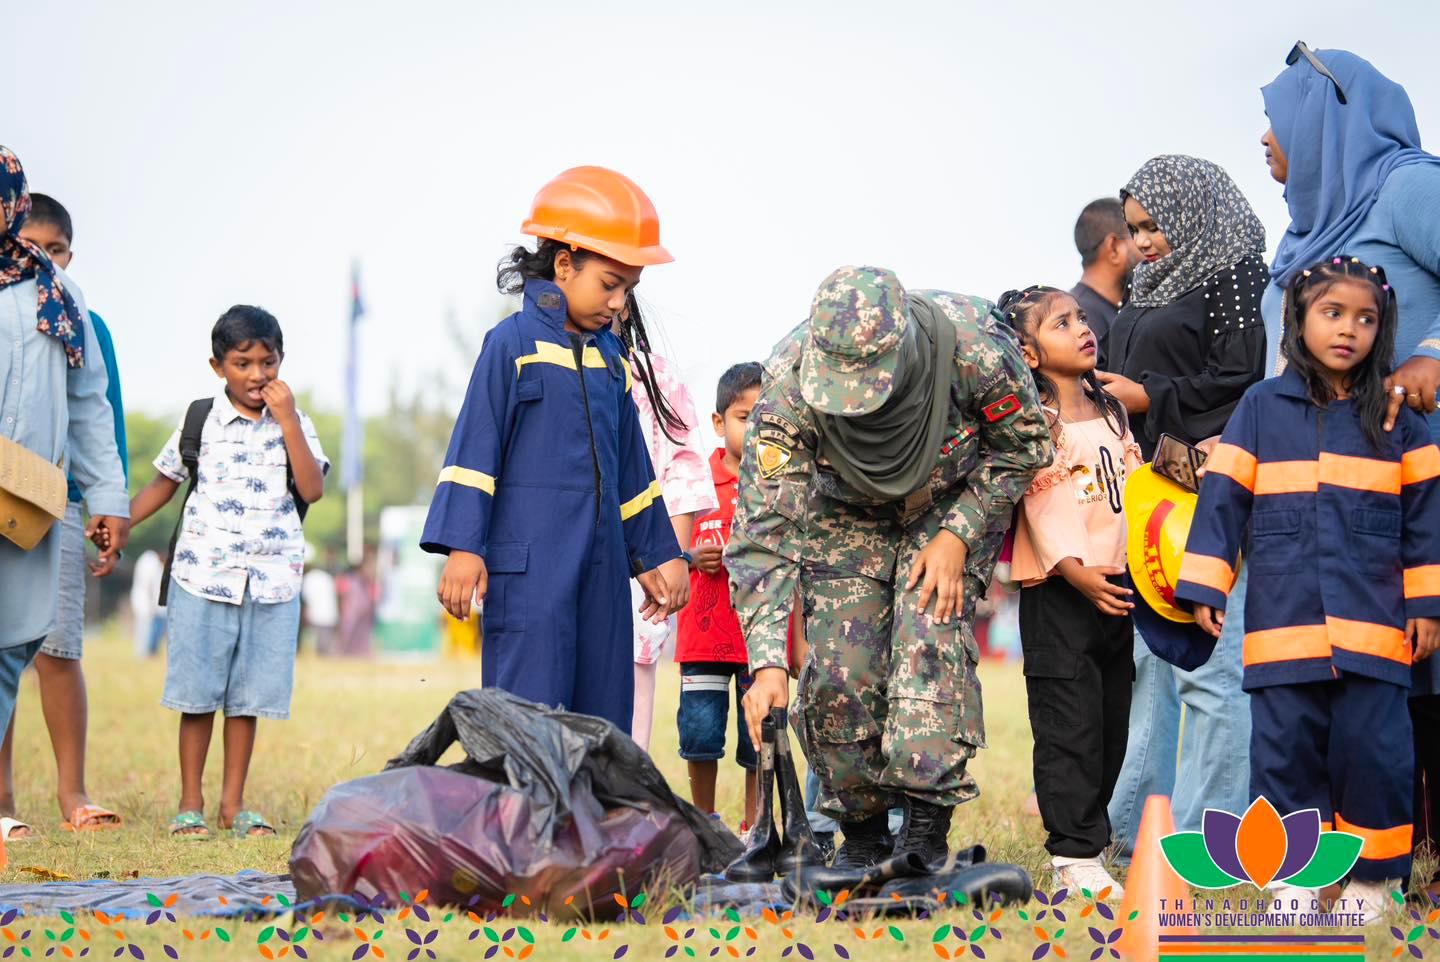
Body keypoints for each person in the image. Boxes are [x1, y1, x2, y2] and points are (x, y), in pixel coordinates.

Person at [731, 266, 1050, 872]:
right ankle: (865, 838)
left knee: (927, 642)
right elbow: (763, 535)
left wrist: (961, 532)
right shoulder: (788, 388)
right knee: (839, 672)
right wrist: (768, 662)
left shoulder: (974, 348)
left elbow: (1026, 445)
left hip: (949, 504)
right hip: (843, 513)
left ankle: (924, 833)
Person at [1177, 256, 1440, 924]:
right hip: (1283, 627)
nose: (1349, 329)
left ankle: (1375, 885)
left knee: (1376, 755)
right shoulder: (1261, 408)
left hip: (1376, 631)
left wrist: (1427, 608)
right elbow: (1223, 501)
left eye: (1366, 318)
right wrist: (1207, 582)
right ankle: (1291, 875)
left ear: (1382, 331)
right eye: (1332, 313)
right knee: (1284, 753)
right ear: (1297, 320)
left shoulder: (1397, 420)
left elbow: (1425, 522)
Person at [1257, 45, 1440, 893]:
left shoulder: (1405, 187)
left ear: (1323, 119)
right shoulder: (1302, 236)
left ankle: (1396, 873)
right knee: (1327, 707)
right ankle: (1321, 878)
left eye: (1278, 115)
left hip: (1416, 483)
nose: (1265, 137)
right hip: (1320, 518)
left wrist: (1433, 353)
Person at [423, 167, 688, 733]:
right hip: (529, 568)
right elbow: (475, 448)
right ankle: (523, 818)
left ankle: (589, 820)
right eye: (609, 284)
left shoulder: (609, 360)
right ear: (564, 264)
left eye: (628, 291)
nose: (618, 303)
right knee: (527, 707)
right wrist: (463, 548)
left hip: (603, 565)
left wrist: (656, 554)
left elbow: (634, 471)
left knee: (602, 706)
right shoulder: (510, 346)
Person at [1097, 155, 1269, 853]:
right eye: (1134, 228)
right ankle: (1139, 832)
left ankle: (1212, 841)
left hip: (1213, 497)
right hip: (1153, 499)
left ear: (1196, 212)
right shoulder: (1147, 284)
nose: (1142, 242)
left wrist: (1150, 398)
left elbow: (1245, 382)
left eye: (1155, 225)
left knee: (1215, 667)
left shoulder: (1237, 275)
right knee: (1156, 665)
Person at [128, 305, 328, 838]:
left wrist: (287, 421)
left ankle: (233, 805)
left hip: (270, 581)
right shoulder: (199, 418)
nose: (258, 374)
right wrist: (120, 522)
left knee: (246, 700)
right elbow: (163, 482)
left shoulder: (298, 423)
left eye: (269, 362)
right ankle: (190, 803)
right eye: (243, 363)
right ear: (219, 367)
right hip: (202, 575)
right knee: (197, 696)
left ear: (282, 362)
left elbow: (312, 489)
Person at [0, 148, 128, 841]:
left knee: (36, 644)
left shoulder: (64, 301)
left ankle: (54, 794)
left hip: (39, 503)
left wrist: (108, 497)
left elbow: (91, 409)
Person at [1003, 286, 1140, 898]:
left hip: (1118, 586)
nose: (1083, 328)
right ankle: (1073, 854)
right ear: (1030, 354)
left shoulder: (1111, 410)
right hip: (1063, 592)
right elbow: (1043, 500)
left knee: (1112, 720)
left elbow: (1132, 489)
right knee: (1069, 721)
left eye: (1081, 318)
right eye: (1063, 324)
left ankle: (1095, 841)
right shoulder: (1036, 422)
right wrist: (1074, 567)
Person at [619, 292, 716, 751]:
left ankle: (619, 811)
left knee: (632, 697)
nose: (613, 300)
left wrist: (673, 558)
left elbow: (683, 470)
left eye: (622, 290)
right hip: (570, 554)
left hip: (642, 563)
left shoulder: (656, 379)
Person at [675, 362, 762, 829]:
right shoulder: (696, 482)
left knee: (758, 738)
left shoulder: (776, 485)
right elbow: (671, 549)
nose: (755, 428)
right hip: (703, 639)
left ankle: (754, 826)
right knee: (701, 733)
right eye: (745, 417)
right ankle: (704, 822)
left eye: (765, 416)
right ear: (718, 422)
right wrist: (693, 557)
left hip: (758, 639)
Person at [1070, 198, 1140, 362]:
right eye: (1136, 232)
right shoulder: (1082, 316)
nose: (1146, 242)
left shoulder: (1120, 310)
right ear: (1114, 246)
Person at [336, 550, 378, 657]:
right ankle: (343, 655)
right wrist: (341, 610)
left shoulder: (369, 582)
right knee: (347, 636)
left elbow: (374, 597)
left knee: (362, 638)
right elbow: (341, 595)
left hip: (364, 615)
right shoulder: (349, 580)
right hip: (350, 614)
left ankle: (361, 655)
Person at [130, 549, 167, 657]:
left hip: (151, 604)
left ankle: (150, 652)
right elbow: (148, 586)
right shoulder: (150, 563)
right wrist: (151, 604)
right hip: (146, 603)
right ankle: (145, 653)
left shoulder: (149, 562)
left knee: (152, 629)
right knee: (146, 629)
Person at [301, 556, 339, 655]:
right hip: (330, 614)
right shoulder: (327, 577)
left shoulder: (309, 578)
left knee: (318, 645)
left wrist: (306, 615)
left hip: (316, 615)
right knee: (326, 644)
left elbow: (308, 599)